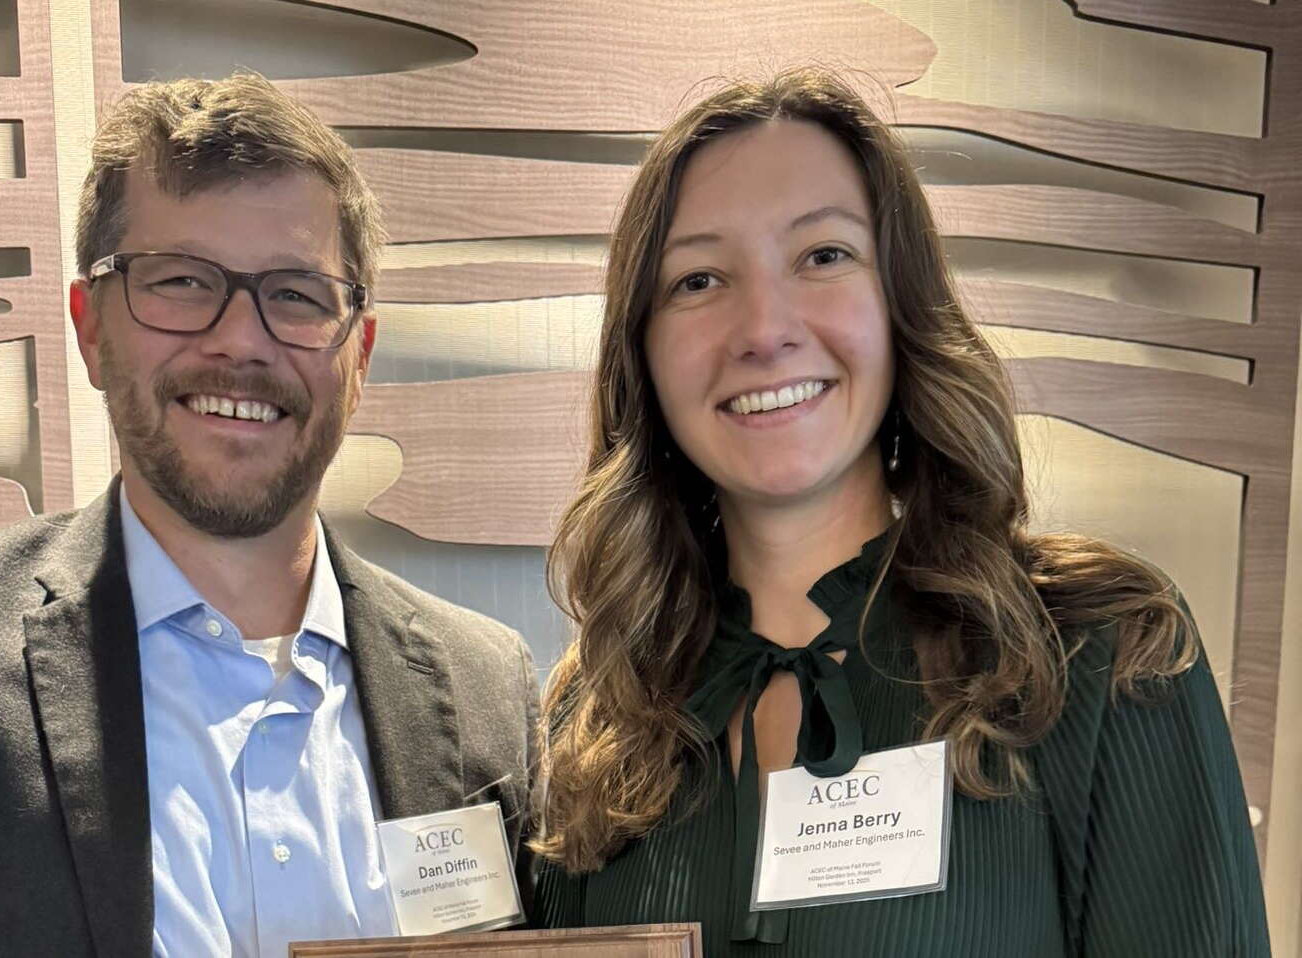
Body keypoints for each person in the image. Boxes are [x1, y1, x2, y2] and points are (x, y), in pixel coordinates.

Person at [0, 73, 539, 957]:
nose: (241, 340)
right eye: (181, 281)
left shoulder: (489, 688)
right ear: (92, 328)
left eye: (295, 294)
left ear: (358, 353)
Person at [531, 69, 1269, 956]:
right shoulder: (601, 710)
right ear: (642, 349)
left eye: (823, 256)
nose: (764, 329)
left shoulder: (1103, 651)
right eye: (697, 279)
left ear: (900, 302)